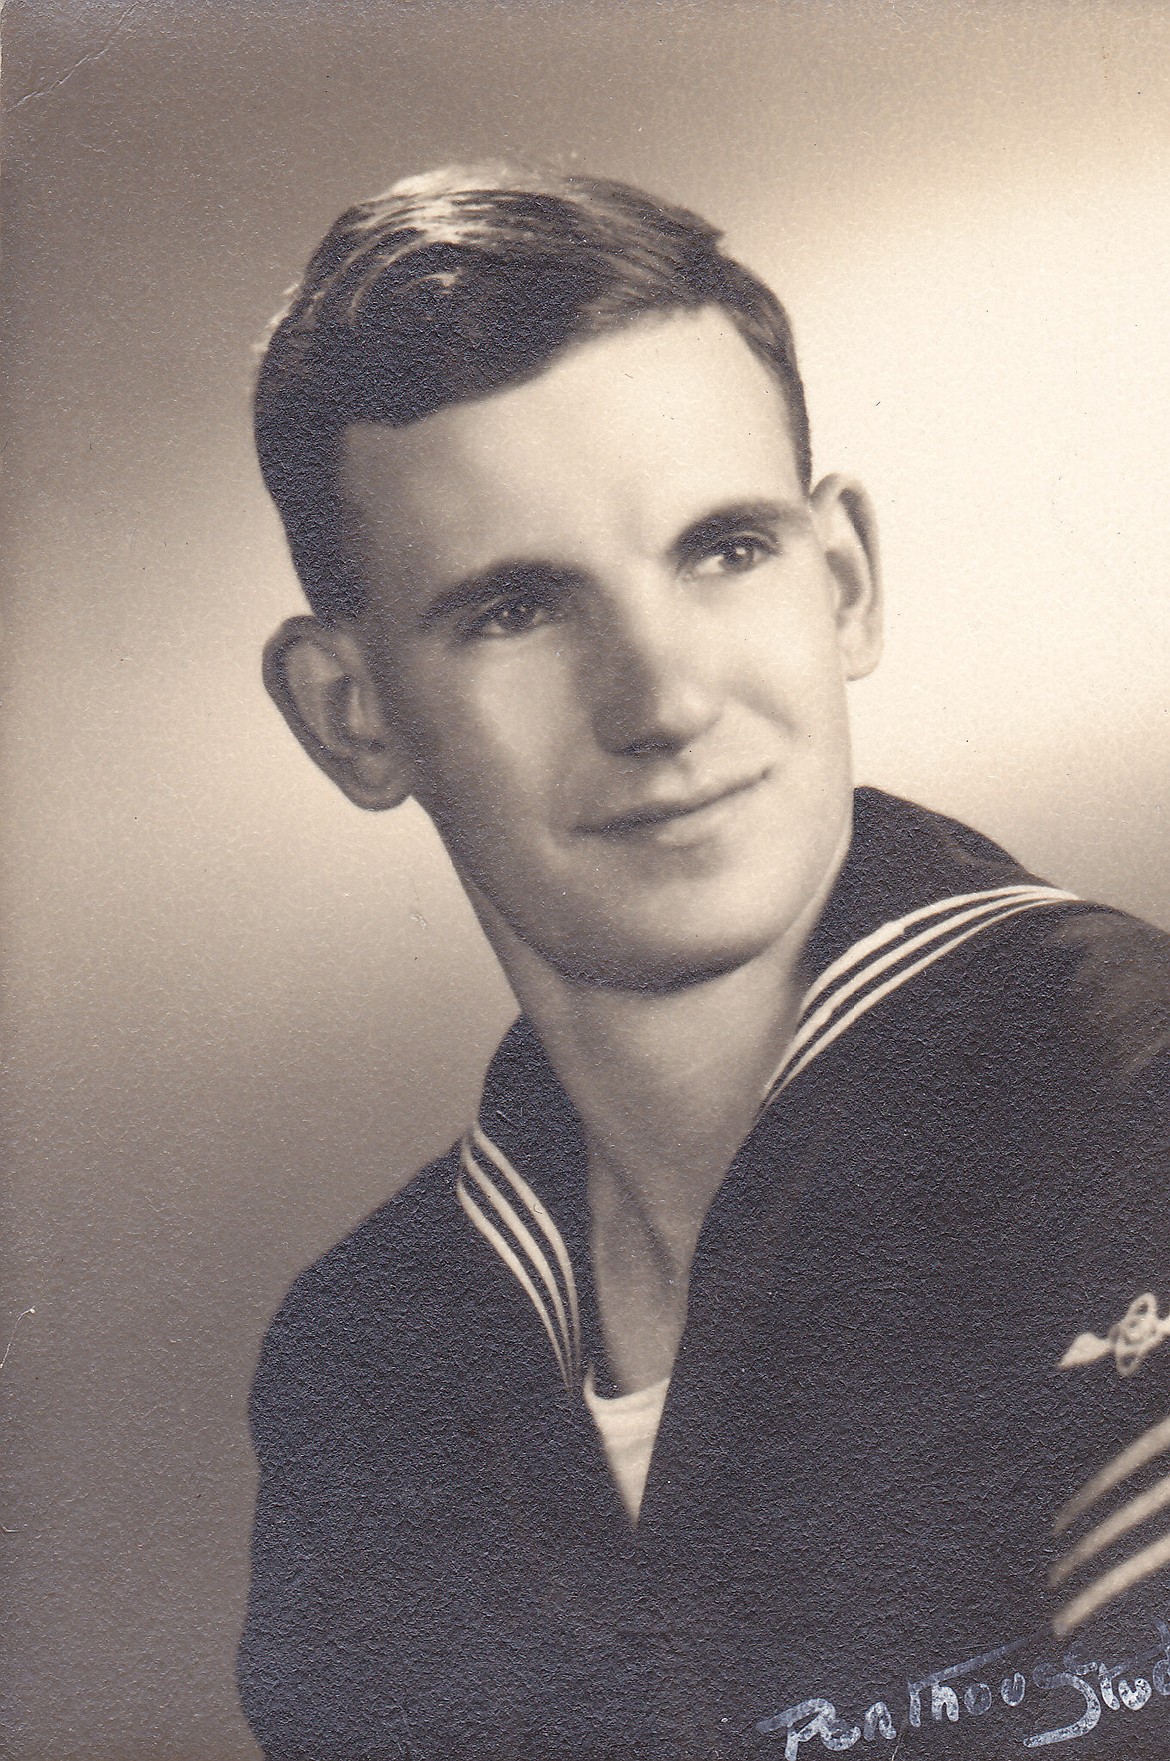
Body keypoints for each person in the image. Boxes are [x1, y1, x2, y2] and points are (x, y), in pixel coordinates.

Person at [238, 164, 1170, 1760]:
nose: (661, 701)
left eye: (724, 550)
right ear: (351, 711)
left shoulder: (1126, 1103)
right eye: (516, 608)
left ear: (845, 579)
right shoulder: (370, 1357)